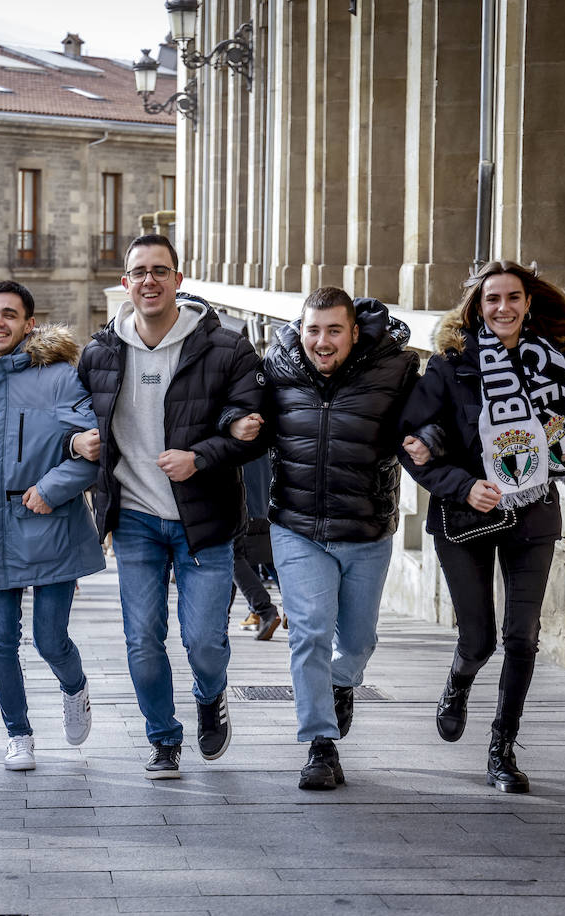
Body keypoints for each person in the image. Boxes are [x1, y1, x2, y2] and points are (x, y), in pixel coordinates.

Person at [399, 260, 565, 793]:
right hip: (466, 515)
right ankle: (459, 682)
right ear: (477, 306)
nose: (504, 308)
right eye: (493, 299)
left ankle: (502, 748)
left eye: (513, 298)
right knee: (479, 638)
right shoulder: (449, 364)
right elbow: (414, 440)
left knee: (521, 638)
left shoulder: (556, 361)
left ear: (527, 303)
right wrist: (463, 485)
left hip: (532, 512)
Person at [75, 234, 264, 779]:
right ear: (126, 282)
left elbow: (253, 428)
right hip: (133, 520)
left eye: (161, 271)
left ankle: (211, 694)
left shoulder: (225, 347)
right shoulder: (100, 352)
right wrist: (74, 443)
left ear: (179, 281)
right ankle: (163, 739)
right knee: (142, 639)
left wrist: (201, 457)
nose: (149, 280)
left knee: (203, 639)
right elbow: (68, 418)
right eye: (139, 272)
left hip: (204, 520)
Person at [239, 286, 418, 791]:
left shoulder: (395, 370)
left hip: (365, 528)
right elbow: (237, 405)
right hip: (297, 527)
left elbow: (428, 420)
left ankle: (342, 681)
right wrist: (238, 422)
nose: (322, 341)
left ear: (354, 333)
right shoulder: (277, 371)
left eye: (334, 330)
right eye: (313, 330)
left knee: (357, 640)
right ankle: (320, 744)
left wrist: (428, 442)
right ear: (300, 330)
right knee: (310, 631)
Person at [0, 280, 103, 771]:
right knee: (1, 639)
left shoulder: (59, 377)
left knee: (51, 637)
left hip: (49, 522)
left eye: (8, 315)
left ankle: (75, 689)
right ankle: (19, 734)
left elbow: (92, 448)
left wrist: (50, 489)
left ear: (29, 324)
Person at [234, 453, 280, 640]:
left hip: (244, 508)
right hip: (264, 508)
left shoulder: (238, 434)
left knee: (232, 557)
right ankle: (293, 609)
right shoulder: (262, 441)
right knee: (266, 558)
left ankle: (264, 610)